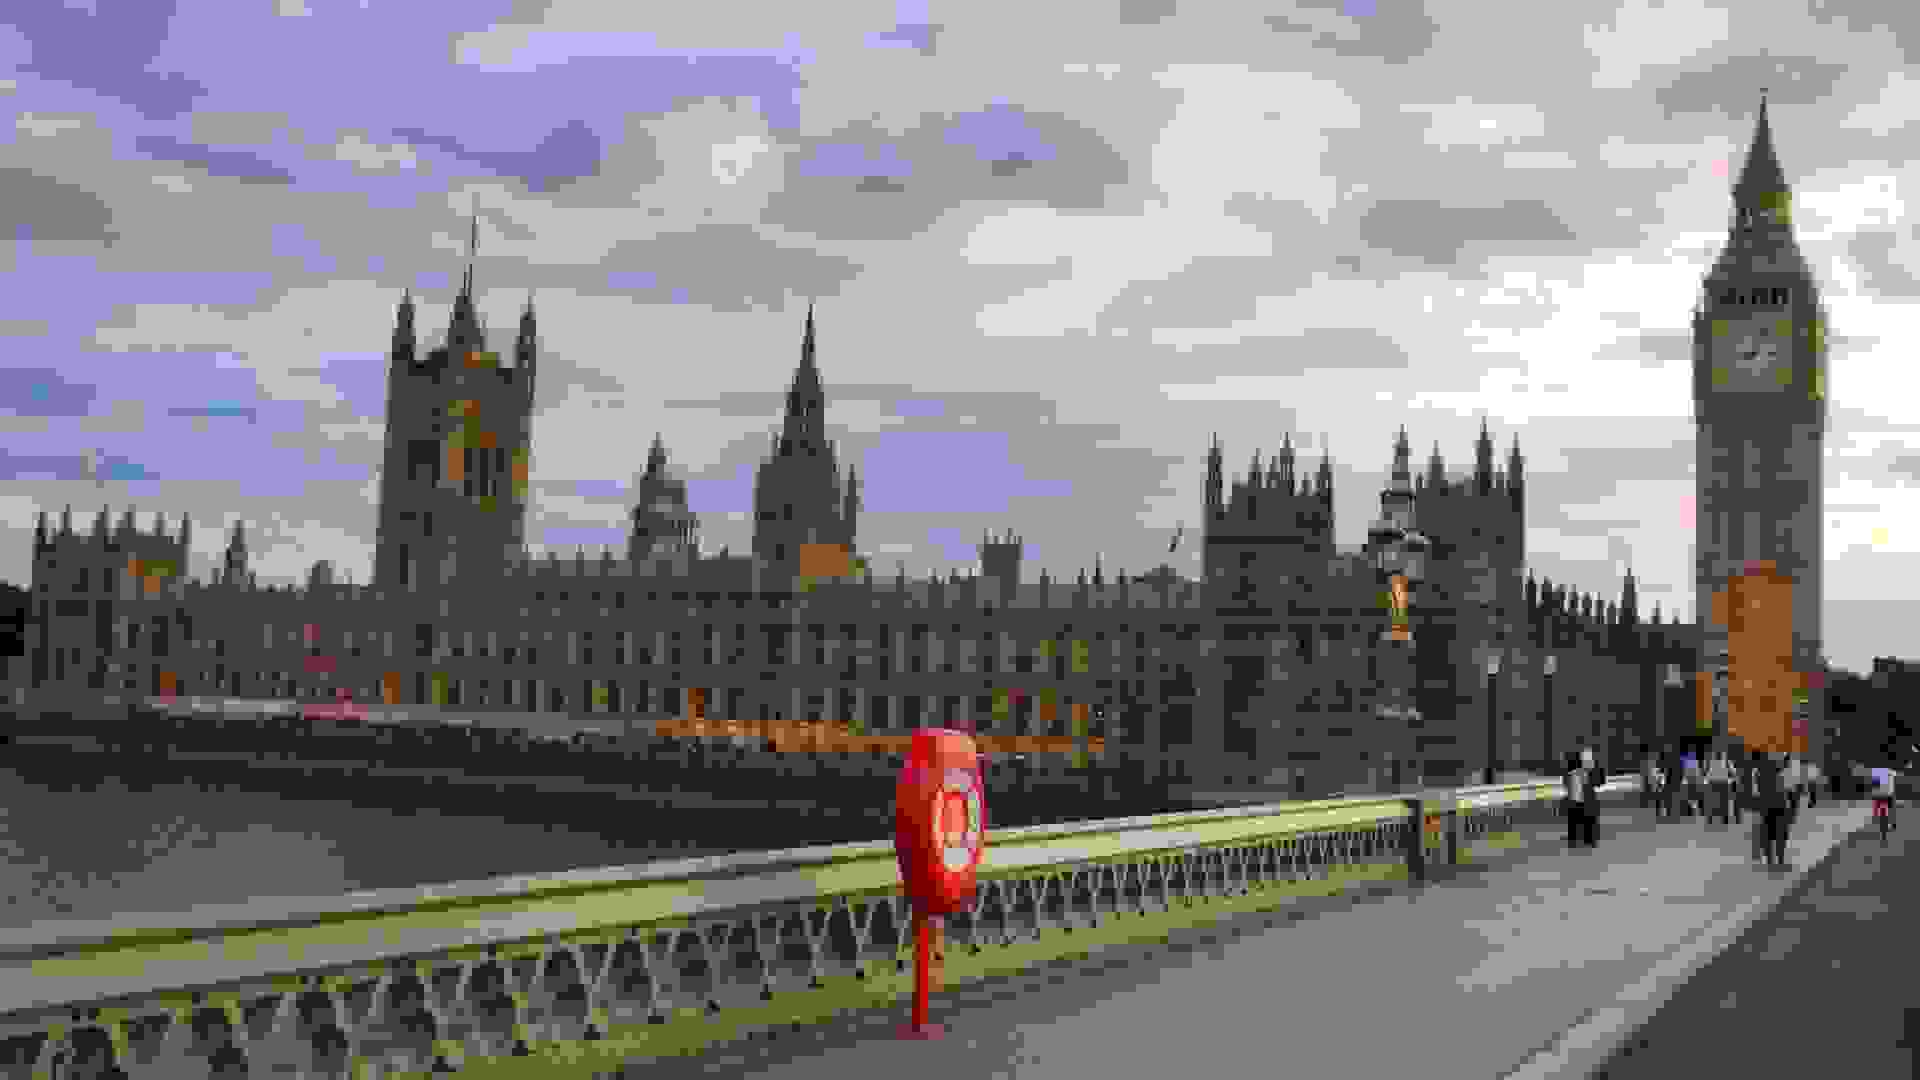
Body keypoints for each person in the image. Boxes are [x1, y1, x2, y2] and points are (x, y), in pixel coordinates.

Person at [1754, 752, 1792, 869]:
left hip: (1767, 805)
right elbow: (1785, 763)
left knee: (1769, 834)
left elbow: (1758, 790)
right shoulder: (1775, 768)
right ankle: (1779, 859)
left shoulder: (1758, 772)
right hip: (1779, 804)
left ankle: (1771, 859)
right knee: (1780, 833)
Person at [1706, 750, 1735, 824]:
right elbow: (1733, 772)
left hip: (1713, 782)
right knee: (1723, 802)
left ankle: (1710, 818)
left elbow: (1705, 771)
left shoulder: (1710, 761)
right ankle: (1724, 818)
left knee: (1712, 801)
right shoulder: (1726, 761)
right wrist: (1731, 780)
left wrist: (1706, 779)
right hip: (1722, 783)